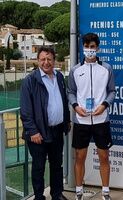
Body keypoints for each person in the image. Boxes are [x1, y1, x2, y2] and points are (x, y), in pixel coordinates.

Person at [68, 33, 116, 200]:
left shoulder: (106, 68)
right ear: (83, 48)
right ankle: (79, 191)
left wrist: (104, 106)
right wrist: (75, 107)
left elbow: (112, 91)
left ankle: (105, 192)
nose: (89, 50)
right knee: (80, 156)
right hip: (81, 120)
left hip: (101, 120)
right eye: (87, 47)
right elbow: (71, 92)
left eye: (92, 47)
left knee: (104, 156)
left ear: (98, 48)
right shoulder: (75, 70)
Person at [20, 46, 70, 200]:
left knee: (57, 166)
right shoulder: (30, 81)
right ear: (38, 61)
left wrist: (66, 121)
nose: (46, 62)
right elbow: (26, 111)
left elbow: (63, 100)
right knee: (39, 167)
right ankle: (38, 196)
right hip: (38, 134)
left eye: (49, 59)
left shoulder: (59, 77)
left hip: (57, 131)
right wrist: (33, 131)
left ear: (54, 60)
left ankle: (57, 195)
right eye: (43, 59)